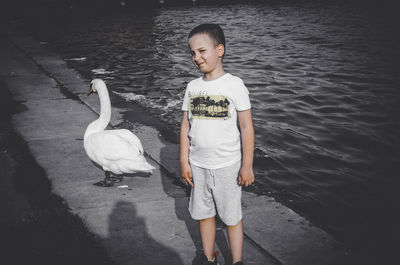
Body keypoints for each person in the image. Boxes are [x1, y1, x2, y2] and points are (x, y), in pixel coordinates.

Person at [180, 23, 255, 265]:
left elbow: (246, 127)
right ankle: (209, 256)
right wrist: (184, 161)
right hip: (198, 164)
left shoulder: (234, 85)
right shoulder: (192, 87)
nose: (196, 58)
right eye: (192, 53)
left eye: (202, 51)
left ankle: (237, 260)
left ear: (219, 50)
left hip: (227, 166)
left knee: (232, 217)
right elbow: (185, 127)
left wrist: (247, 166)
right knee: (204, 214)